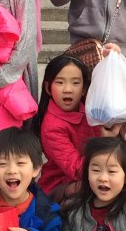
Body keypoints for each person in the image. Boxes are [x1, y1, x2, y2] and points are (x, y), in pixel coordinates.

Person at [34, 53, 102, 200]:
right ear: (48, 88)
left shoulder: (91, 107)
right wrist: (108, 141)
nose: (68, 89)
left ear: (84, 88)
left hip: (96, 171)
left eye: (75, 83)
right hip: (63, 184)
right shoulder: (52, 127)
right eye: (60, 82)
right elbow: (77, 169)